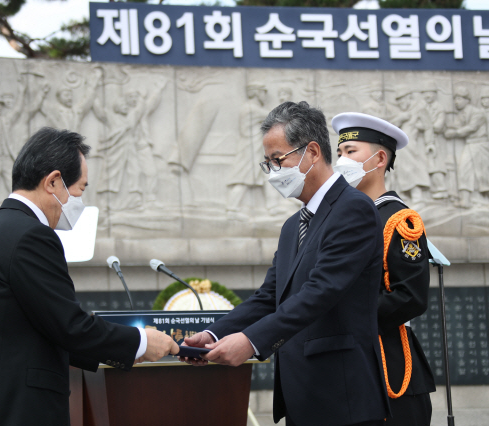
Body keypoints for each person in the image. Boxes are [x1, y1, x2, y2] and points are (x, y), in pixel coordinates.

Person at [0, 127, 179, 426]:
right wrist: (141, 342)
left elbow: (40, 327)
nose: (80, 201)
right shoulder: (31, 235)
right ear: (54, 181)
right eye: (80, 190)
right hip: (13, 410)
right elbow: (68, 325)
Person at [184, 101, 389, 426]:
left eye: (278, 160)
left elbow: (319, 293)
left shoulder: (354, 210)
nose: (273, 172)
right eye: (268, 164)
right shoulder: (294, 225)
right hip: (300, 396)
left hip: (342, 398)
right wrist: (214, 333)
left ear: (311, 152)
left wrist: (251, 342)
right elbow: (270, 296)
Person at [332, 112, 436, 426]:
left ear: (379, 159)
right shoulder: (339, 217)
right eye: (338, 153)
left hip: (386, 364)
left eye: (350, 152)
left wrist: (346, 317)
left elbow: (410, 296)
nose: (341, 161)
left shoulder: (398, 220)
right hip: (342, 362)